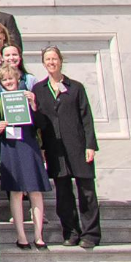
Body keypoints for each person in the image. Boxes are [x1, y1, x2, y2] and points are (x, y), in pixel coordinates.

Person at [33, 46, 100, 249]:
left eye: (54, 58)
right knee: (63, 193)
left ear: (61, 61)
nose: (51, 62)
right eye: (47, 59)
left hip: (78, 146)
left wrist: (90, 145)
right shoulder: (39, 89)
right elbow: (39, 123)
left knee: (87, 192)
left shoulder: (76, 87)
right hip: (55, 149)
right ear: (43, 63)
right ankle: (71, 232)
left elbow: (86, 118)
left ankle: (91, 234)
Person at [0, 64, 49, 249]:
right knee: (15, 192)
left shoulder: (28, 96)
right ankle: (21, 235)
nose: (8, 82)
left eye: (11, 78)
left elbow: (42, 124)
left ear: (17, 79)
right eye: (4, 80)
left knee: (35, 191)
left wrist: (33, 105)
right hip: (10, 148)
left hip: (28, 146)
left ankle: (39, 235)